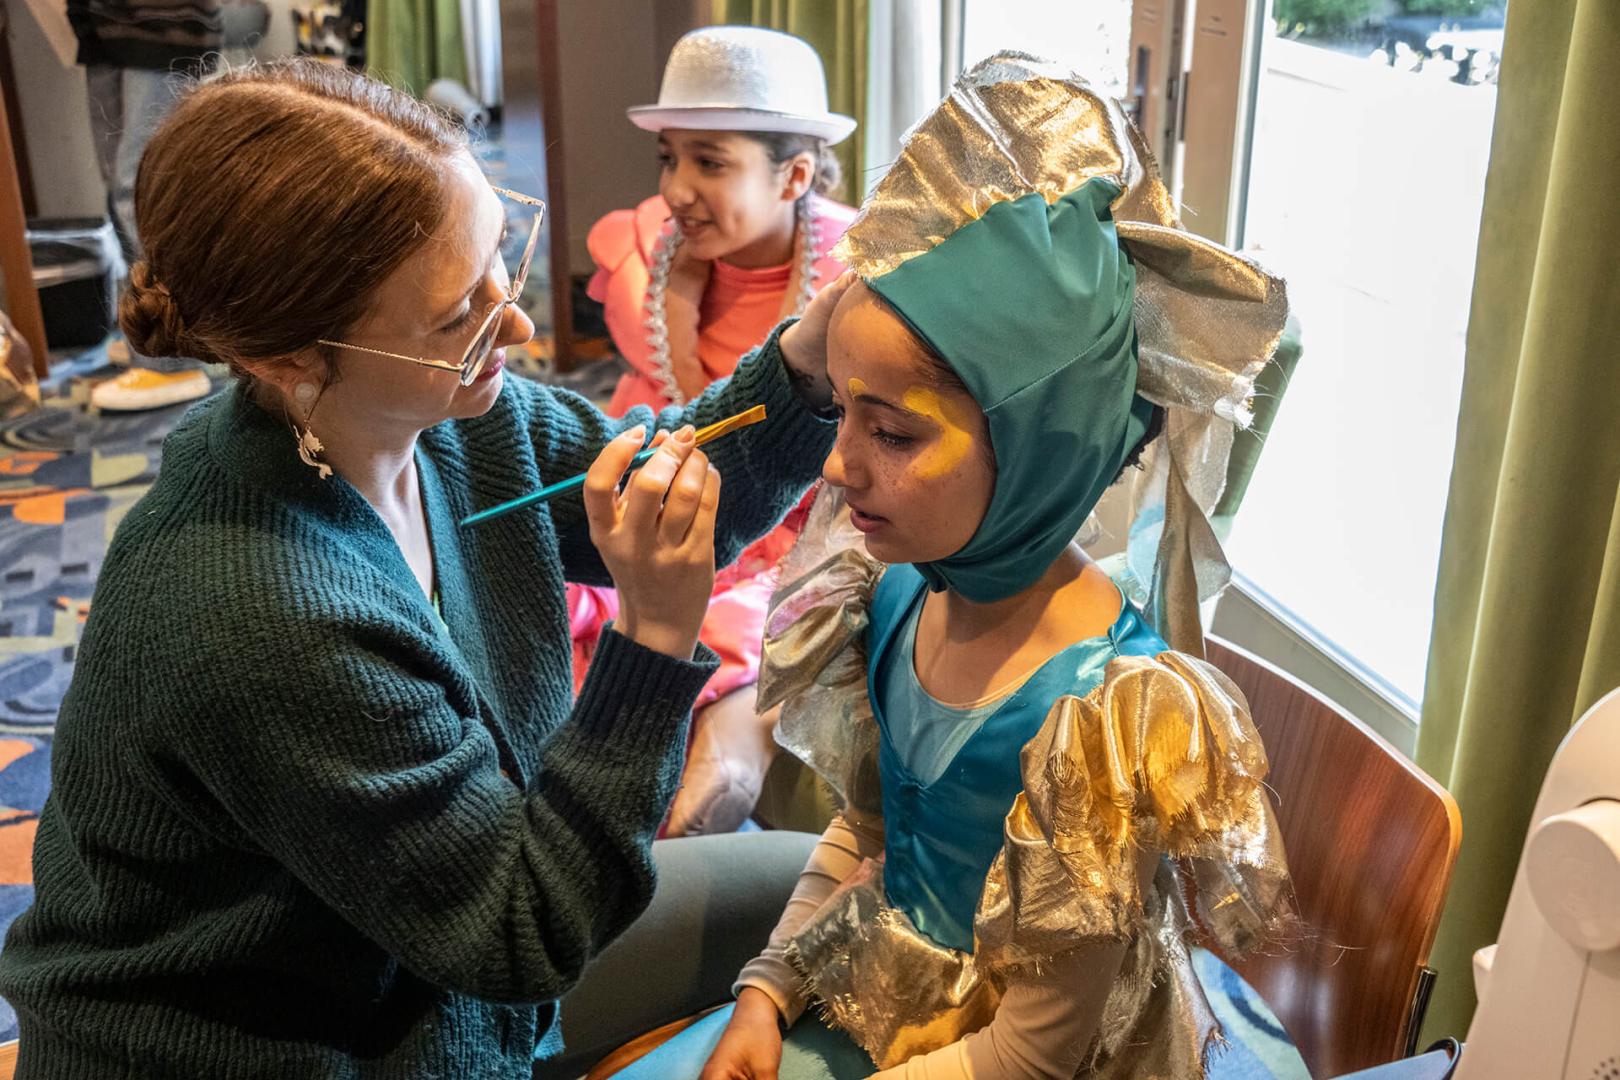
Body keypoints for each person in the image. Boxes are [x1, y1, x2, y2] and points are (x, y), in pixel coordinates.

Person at [0, 59, 849, 1078]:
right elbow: (521, 935)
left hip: (431, 961)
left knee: (813, 889)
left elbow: (663, 477)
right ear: (295, 359)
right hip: (285, 1044)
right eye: (459, 314)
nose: (521, 322)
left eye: (502, 256)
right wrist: (656, 644)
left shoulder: (443, 418)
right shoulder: (260, 611)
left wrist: (809, 358)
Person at [604, 55, 1297, 1079]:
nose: (837, 465)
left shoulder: (1101, 719)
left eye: (891, 433)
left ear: (1036, 450)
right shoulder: (887, 599)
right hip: (895, 993)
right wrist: (768, 984)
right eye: (843, 415)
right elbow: (872, 834)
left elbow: (1034, 1051)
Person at [572, 26, 860, 835]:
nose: (676, 189)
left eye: (710, 160)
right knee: (568, 586)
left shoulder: (854, 278)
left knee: (766, 609)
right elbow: (643, 402)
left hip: (806, 516)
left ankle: (731, 753)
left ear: (795, 173)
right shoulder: (649, 259)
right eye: (668, 158)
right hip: (677, 478)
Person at [69, 0, 216, 410]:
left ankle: (173, 357)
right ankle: (144, 332)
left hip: (160, 21)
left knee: (144, 187)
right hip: (103, 23)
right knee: (119, 184)